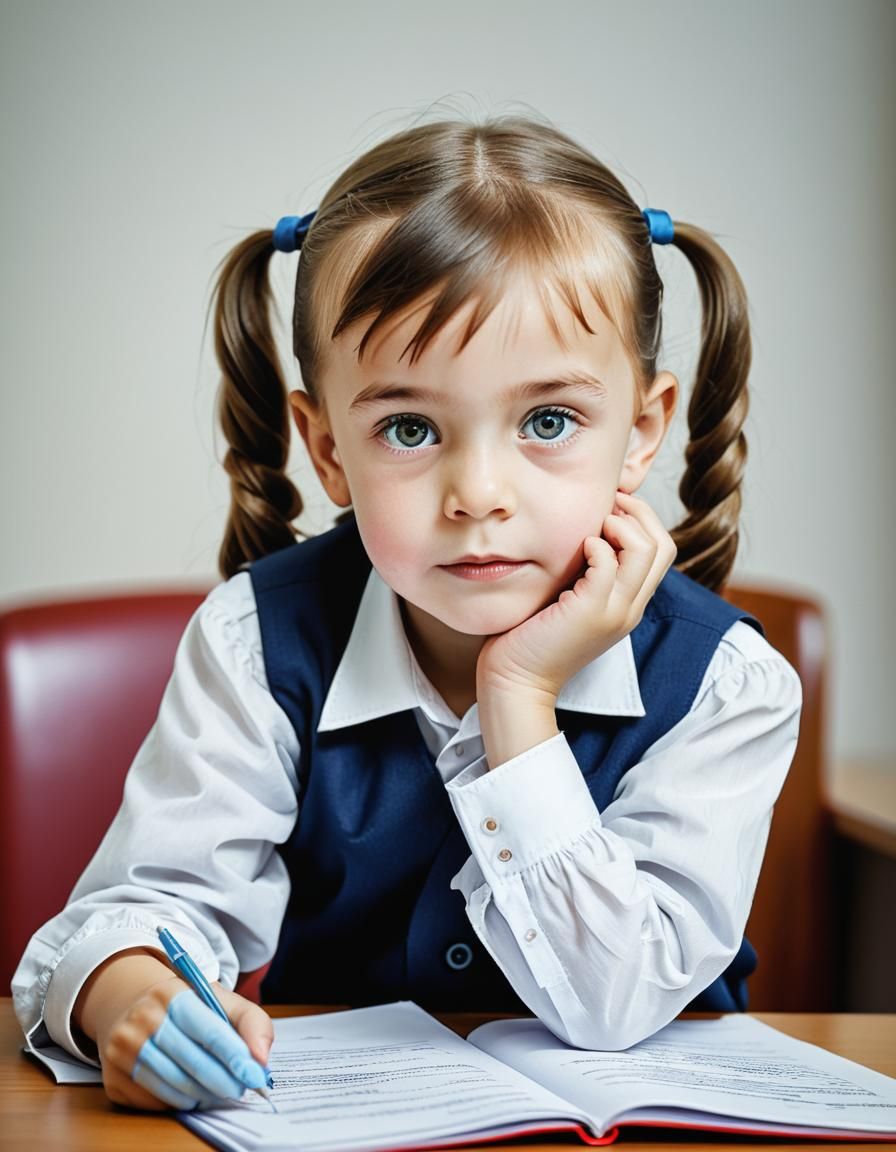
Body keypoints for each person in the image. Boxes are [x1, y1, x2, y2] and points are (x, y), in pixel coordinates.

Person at [12, 113, 802, 1112]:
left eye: (546, 421)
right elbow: (152, 906)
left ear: (639, 433)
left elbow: (615, 1002)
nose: (476, 491)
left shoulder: (727, 684)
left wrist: (515, 698)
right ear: (328, 448)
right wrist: (133, 995)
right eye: (410, 427)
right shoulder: (256, 642)